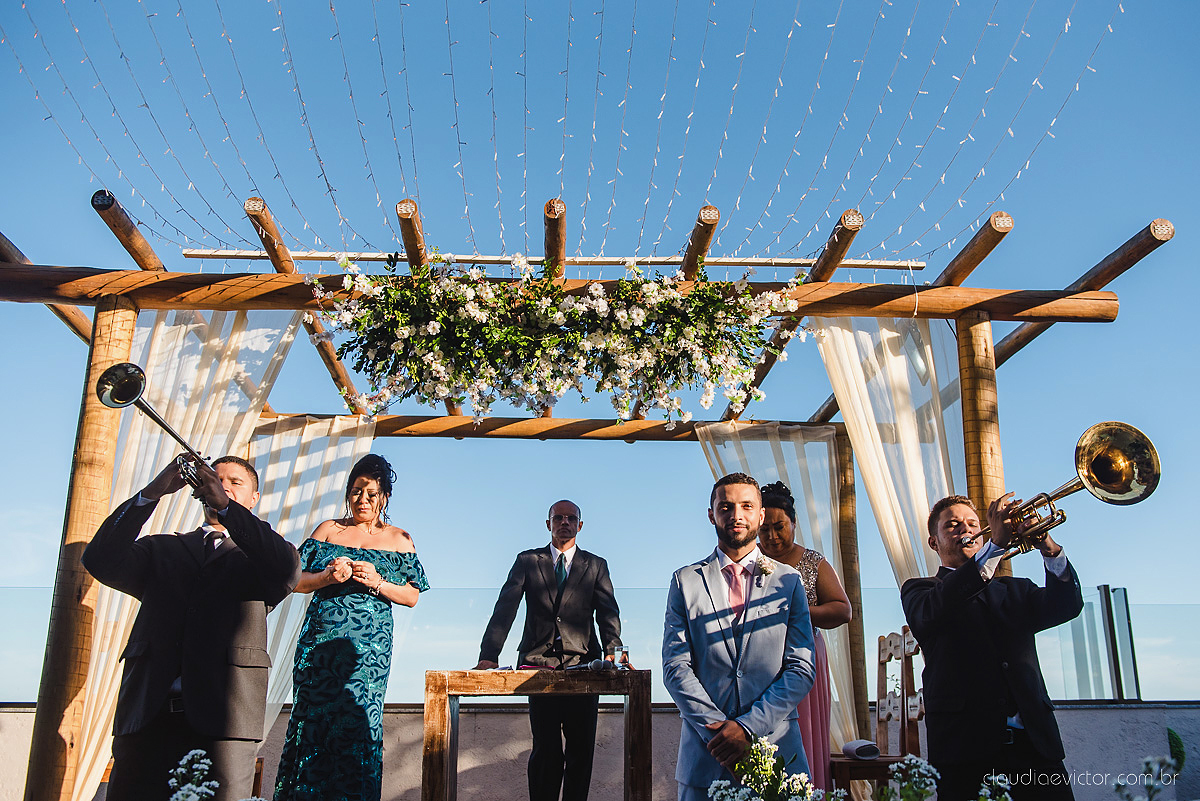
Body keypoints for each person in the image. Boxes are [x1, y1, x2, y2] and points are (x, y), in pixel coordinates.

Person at [82, 455, 301, 801]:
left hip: (225, 725)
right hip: (147, 718)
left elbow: (288, 570)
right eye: (215, 479)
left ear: (254, 498)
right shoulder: (161, 548)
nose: (222, 485)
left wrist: (227, 508)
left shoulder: (261, 557)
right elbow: (99, 559)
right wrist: (152, 492)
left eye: (235, 483)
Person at [901, 493, 1084, 800]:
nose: (966, 529)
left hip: (1035, 749)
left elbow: (1066, 606)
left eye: (973, 524)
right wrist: (996, 546)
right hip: (966, 752)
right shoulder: (920, 590)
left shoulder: (1016, 589)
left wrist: (1048, 547)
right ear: (934, 543)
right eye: (953, 525)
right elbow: (944, 603)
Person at [274, 453, 429, 801]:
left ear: (384, 497)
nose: (363, 500)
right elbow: (294, 581)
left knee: (359, 721)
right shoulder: (328, 530)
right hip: (320, 646)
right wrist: (327, 577)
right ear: (348, 492)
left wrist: (378, 582)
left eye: (371, 493)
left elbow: (411, 596)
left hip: (368, 653)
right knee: (313, 720)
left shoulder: (400, 539)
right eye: (357, 491)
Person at [662, 473, 817, 801]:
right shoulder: (684, 581)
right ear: (711, 515)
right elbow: (676, 668)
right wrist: (721, 735)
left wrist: (747, 728)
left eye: (746, 506)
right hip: (706, 758)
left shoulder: (789, 582)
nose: (736, 515)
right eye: (726, 507)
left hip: (778, 756)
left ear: (760, 515)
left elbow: (801, 668)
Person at [473, 499, 623, 801]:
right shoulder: (527, 561)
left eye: (571, 518)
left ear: (580, 525)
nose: (564, 522)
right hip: (539, 667)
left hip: (584, 667)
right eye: (558, 518)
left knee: (581, 750)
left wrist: (613, 652)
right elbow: (505, 609)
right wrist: (489, 656)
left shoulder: (596, 565)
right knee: (545, 749)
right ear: (548, 524)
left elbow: (608, 612)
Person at [757, 481, 852, 791]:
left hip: (803, 656)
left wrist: (796, 612)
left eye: (779, 527)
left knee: (802, 737)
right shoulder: (749, 561)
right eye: (764, 529)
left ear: (794, 523)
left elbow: (843, 610)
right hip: (757, 661)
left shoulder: (813, 562)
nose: (772, 536)